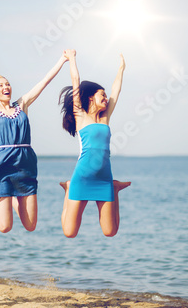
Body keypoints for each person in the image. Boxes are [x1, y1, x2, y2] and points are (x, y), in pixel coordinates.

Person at [0, 52, 69, 233]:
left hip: (26, 164)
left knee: (30, 226)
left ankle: (11, 196)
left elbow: (44, 81)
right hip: (3, 165)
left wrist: (62, 60)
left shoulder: (21, 105)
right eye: (1, 85)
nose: (6, 87)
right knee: (5, 227)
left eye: (7, 84)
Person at [59, 49, 131, 238]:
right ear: (91, 97)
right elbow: (76, 81)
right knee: (69, 232)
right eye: (102, 95)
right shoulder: (80, 116)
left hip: (104, 177)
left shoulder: (105, 118)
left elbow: (117, 90)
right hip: (82, 176)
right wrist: (72, 59)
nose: (106, 99)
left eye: (106, 96)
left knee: (110, 231)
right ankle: (68, 188)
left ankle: (115, 189)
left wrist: (121, 69)